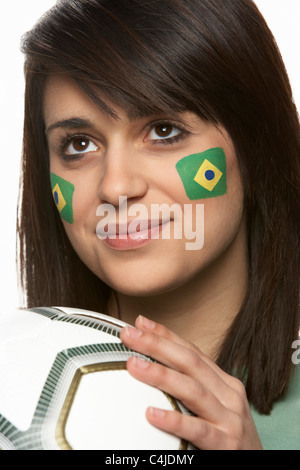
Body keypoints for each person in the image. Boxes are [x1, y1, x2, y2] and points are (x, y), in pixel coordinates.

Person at [17, 0, 300, 450]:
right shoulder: (9, 389)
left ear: (257, 144)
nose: (116, 186)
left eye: (164, 131)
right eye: (79, 143)